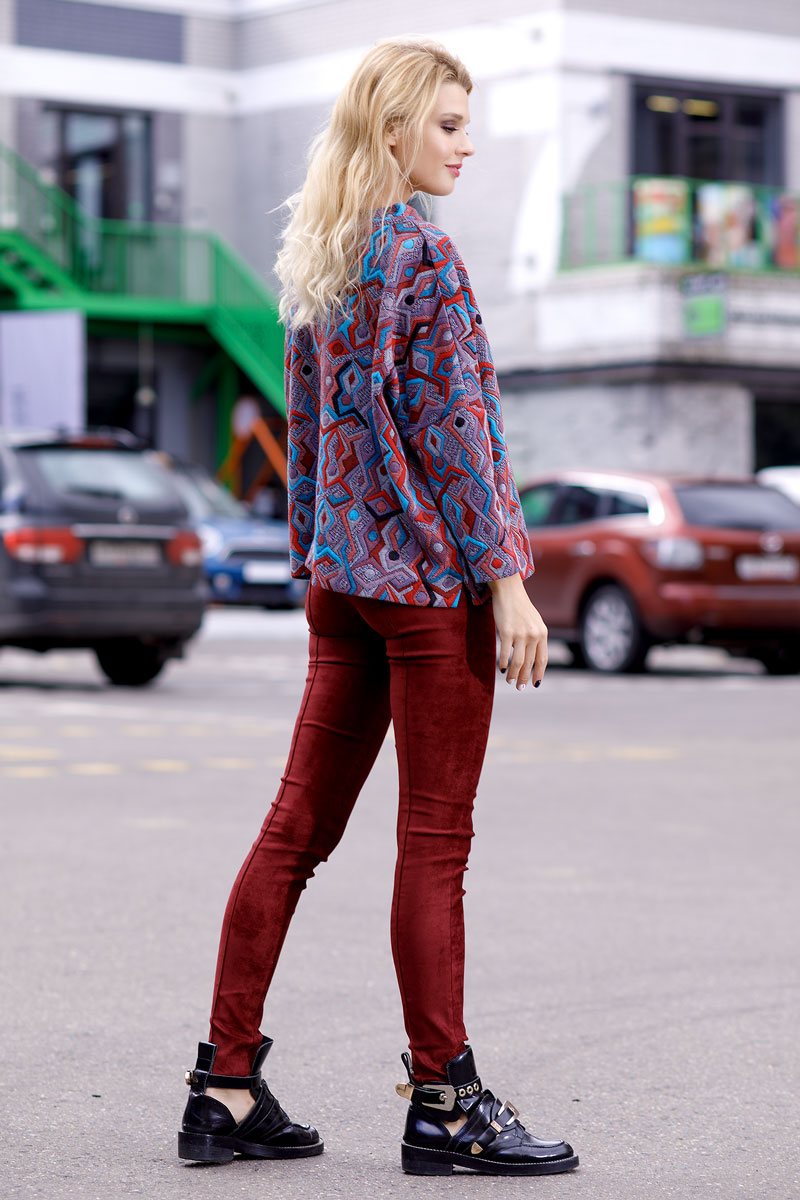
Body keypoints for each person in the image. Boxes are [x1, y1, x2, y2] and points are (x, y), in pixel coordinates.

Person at [178, 38, 579, 1178]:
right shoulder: (423, 255)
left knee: (292, 832)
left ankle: (224, 1087)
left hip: (341, 589)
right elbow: (459, 434)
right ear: (393, 130)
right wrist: (507, 581)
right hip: (427, 593)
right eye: (448, 124)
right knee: (434, 846)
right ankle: (445, 1103)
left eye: (467, 124)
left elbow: (306, 438)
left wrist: (318, 555)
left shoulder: (321, 255)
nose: (466, 145)